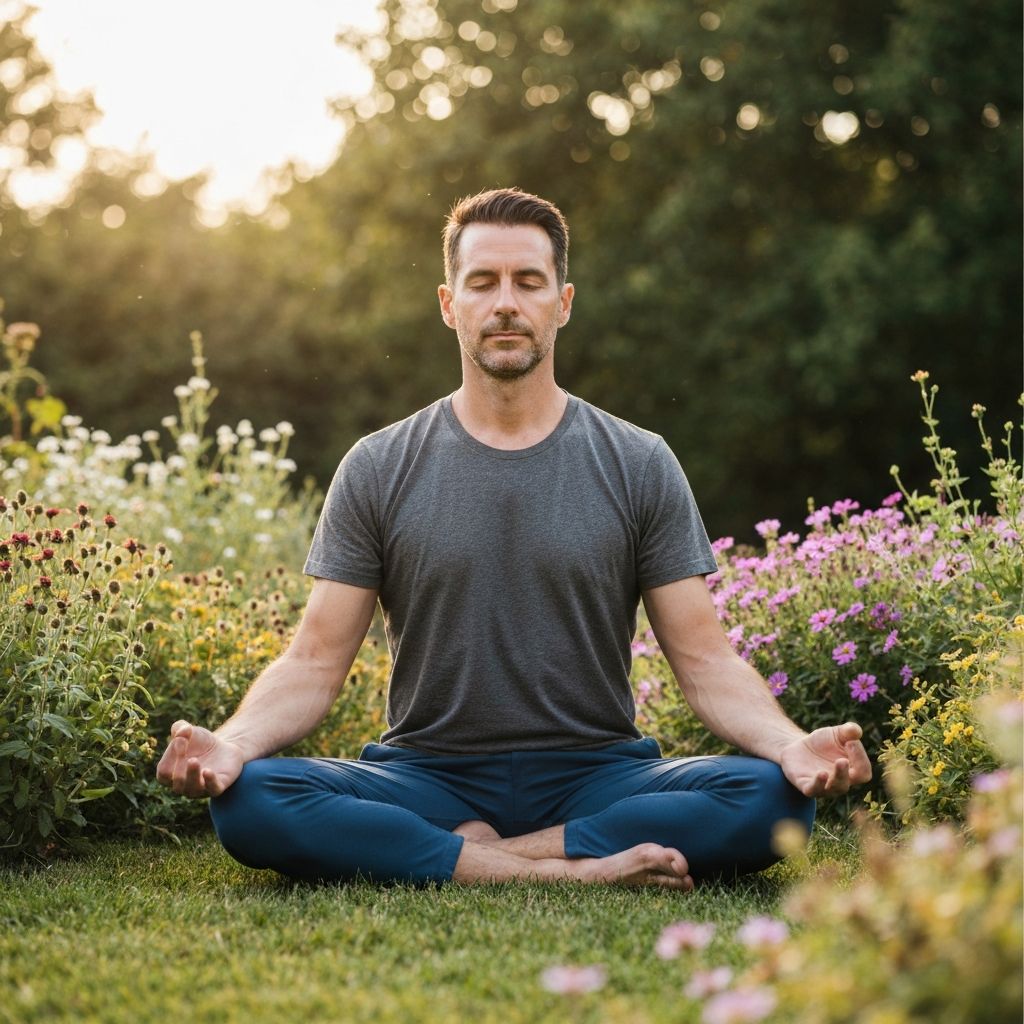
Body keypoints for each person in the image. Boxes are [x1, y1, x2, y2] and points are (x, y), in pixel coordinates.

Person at [156, 188, 871, 890]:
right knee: (250, 800)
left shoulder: (638, 460)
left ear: (562, 303)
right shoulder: (377, 465)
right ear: (449, 304)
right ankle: (570, 874)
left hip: (598, 776)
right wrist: (235, 745)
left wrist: (788, 746)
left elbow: (706, 661)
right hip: (425, 777)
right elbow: (314, 661)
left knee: (773, 798)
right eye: (483, 283)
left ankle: (481, 858)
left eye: (529, 282)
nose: (506, 302)